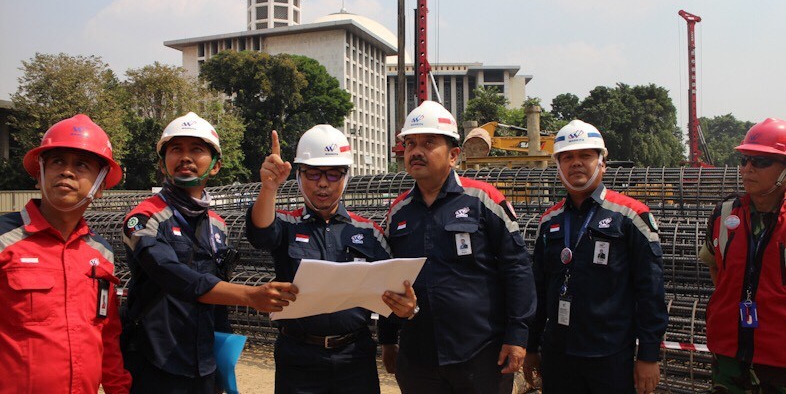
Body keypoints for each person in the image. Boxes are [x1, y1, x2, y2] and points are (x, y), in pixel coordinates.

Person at [121, 112, 298, 393]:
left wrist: (220, 364)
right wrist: (250, 295)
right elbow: (171, 274)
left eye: (197, 150)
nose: (186, 157)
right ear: (162, 163)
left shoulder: (217, 225)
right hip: (154, 362)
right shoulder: (145, 218)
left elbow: (217, 303)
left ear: (216, 166)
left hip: (204, 364)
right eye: (176, 149)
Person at [378, 100, 536, 394]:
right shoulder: (397, 212)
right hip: (419, 357)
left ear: (453, 155)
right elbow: (387, 278)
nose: (416, 151)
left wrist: (517, 335)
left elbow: (517, 269)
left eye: (428, 143)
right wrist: (388, 340)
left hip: (481, 354)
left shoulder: (483, 200)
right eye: (410, 144)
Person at [247, 124, 418, 393]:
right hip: (297, 358)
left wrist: (399, 322)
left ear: (346, 177)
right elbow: (260, 234)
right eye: (313, 174)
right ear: (300, 176)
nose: (323, 183)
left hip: (355, 357)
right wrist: (268, 188)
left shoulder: (368, 232)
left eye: (333, 174)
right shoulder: (286, 224)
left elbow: (393, 287)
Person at [523, 119, 668, 394]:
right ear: (558, 166)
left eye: (585, 156)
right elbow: (539, 289)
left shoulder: (631, 216)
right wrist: (531, 346)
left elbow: (650, 292)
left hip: (610, 356)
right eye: (567, 157)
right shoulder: (549, 220)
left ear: (602, 162)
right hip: (559, 355)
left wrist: (649, 356)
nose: (576, 163)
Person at [0, 114, 132, 393]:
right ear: (39, 175)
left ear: (100, 187)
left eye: (81, 165)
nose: (67, 172)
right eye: (58, 161)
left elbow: (106, 335)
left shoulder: (101, 254)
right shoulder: (4, 240)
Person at [699, 117, 786, 393]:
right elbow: (716, 268)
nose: (748, 169)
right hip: (730, 356)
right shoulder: (723, 215)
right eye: (745, 160)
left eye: (762, 162)